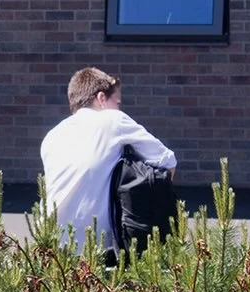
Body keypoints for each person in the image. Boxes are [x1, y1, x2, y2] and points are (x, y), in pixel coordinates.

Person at [40, 67, 177, 250]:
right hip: (100, 249)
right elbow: (168, 163)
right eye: (117, 102)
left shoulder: (52, 136)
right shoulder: (112, 120)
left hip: (53, 247)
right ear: (101, 99)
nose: (119, 107)